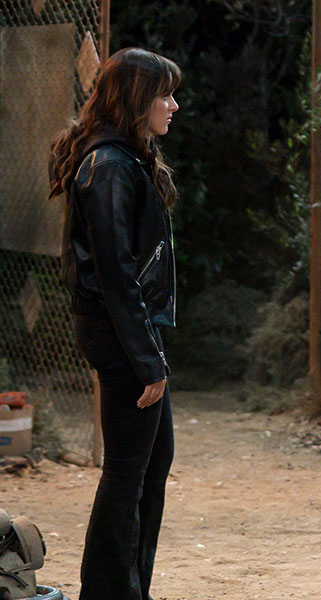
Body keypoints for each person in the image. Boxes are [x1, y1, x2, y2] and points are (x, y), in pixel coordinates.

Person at [49, 47, 181, 600]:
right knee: (128, 469)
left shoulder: (123, 159)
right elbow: (115, 273)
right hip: (121, 332)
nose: (173, 106)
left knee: (151, 460)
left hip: (129, 330)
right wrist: (146, 359)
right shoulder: (107, 168)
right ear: (135, 99)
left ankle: (130, 588)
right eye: (164, 94)